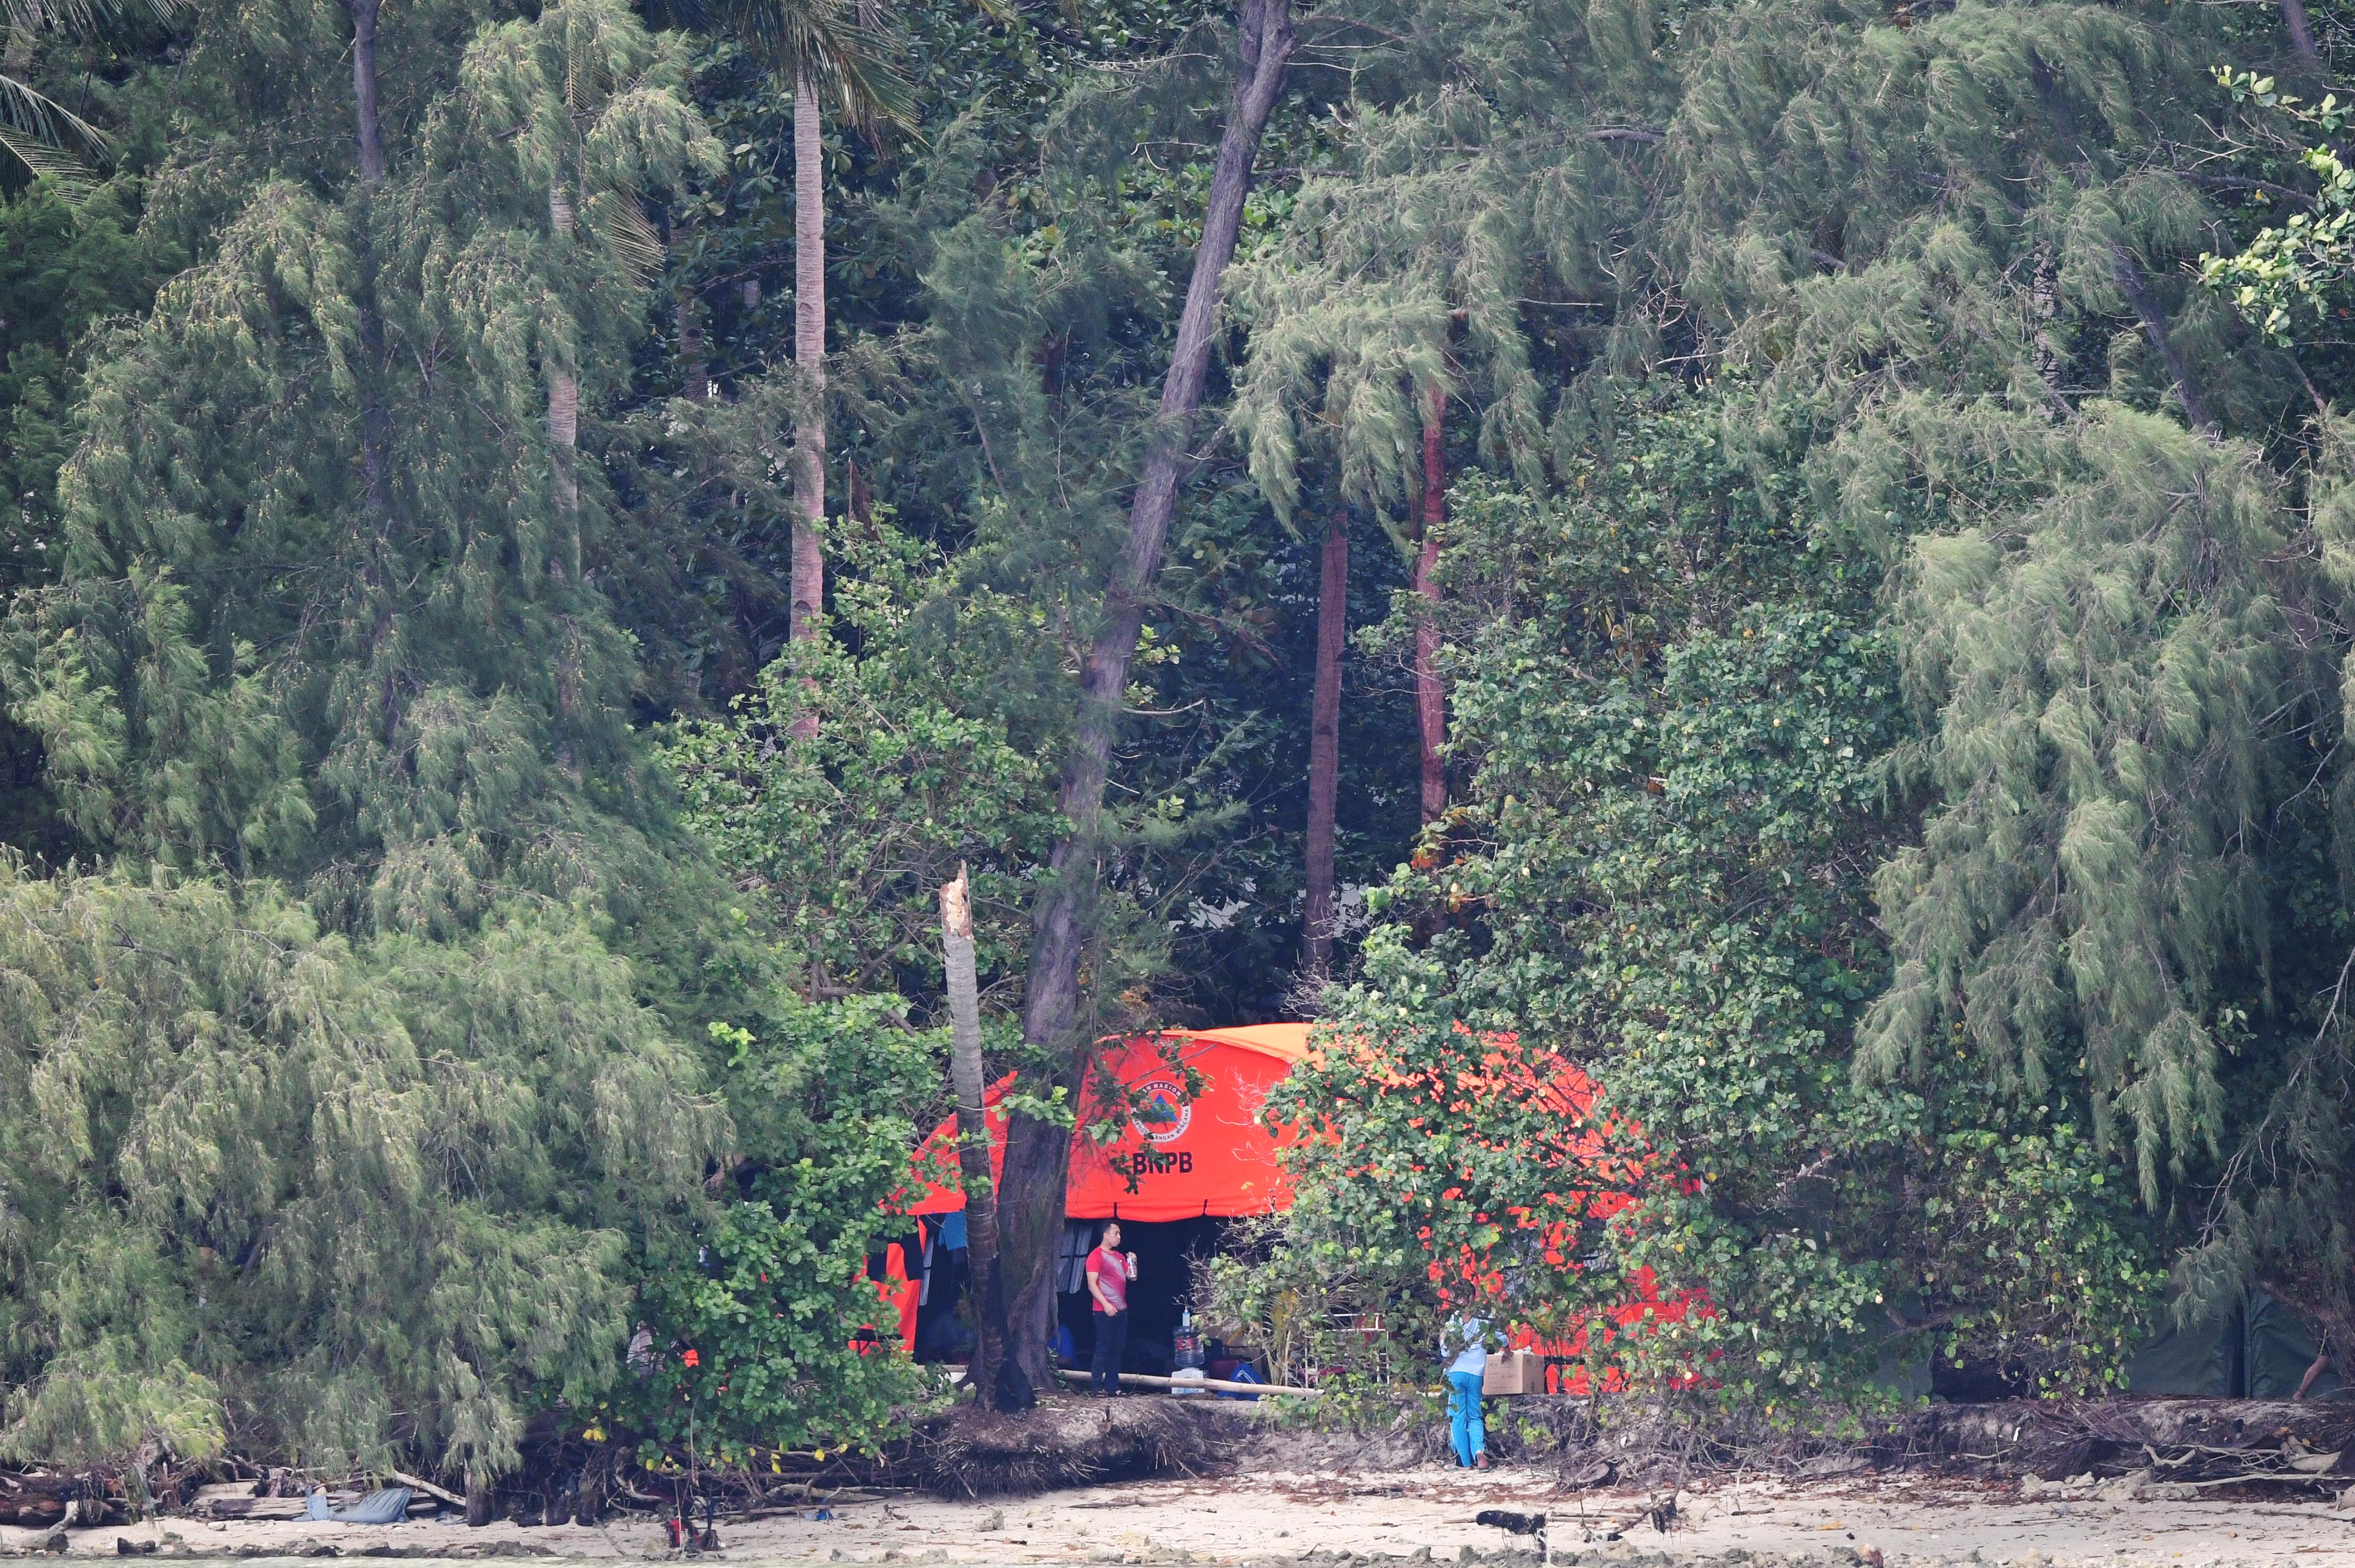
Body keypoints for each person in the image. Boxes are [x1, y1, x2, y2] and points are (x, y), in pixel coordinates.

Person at [1086, 1221, 1136, 1396]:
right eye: (1116, 1233)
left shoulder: (1120, 1257)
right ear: (1106, 1235)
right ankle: (1095, 1387)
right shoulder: (1096, 1256)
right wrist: (1106, 1304)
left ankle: (1112, 1386)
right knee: (1103, 1347)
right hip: (1103, 1310)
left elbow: (1132, 1277)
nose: (1119, 1237)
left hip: (1121, 1309)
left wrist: (1133, 1262)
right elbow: (1092, 1285)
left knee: (1118, 1348)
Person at [1443, 1312, 1490, 1469]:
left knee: (1457, 1417)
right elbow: (1501, 1337)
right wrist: (1508, 1351)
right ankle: (1479, 1452)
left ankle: (1463, 1462)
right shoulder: (1484, 1318)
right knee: (1475, 1416)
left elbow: (1445, 1351)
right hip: (1476, 1375)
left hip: (1456, 1373)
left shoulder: (1453, 1321)